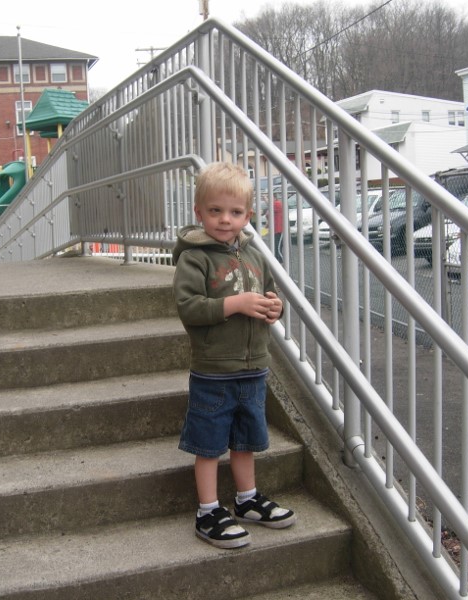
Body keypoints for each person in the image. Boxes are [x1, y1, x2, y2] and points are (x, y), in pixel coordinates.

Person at [172, 161, 296, 549]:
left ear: (248, 215)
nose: (225, 220)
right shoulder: (195, 258)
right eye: (215, 211)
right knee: (209, 443)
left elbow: (272, 297)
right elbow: (190, 308)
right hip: (214, 371)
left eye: (235, 212)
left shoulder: (254, 256)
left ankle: (246, 500)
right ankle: (208, 510)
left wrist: (275, 309)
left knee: (245, 439)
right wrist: (236, 303)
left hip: (253, 366)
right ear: (199, 212)